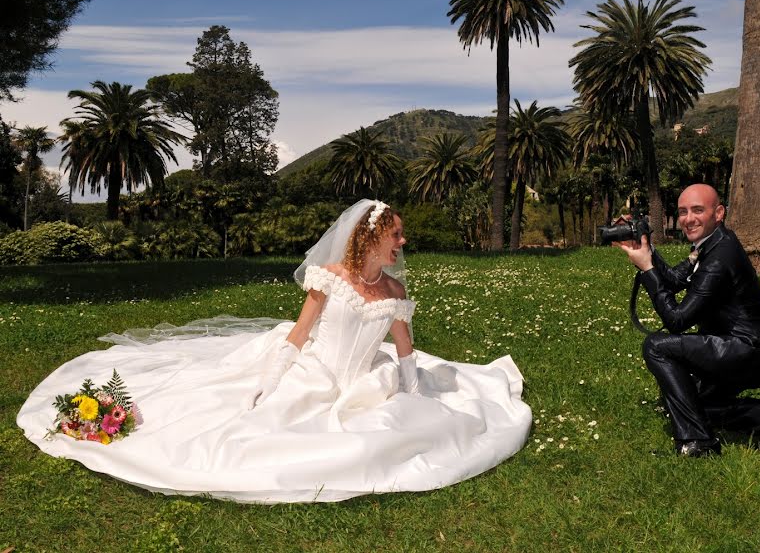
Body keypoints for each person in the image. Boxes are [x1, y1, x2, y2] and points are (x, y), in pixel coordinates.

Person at [17, 200, 532, 502]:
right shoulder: (328, 279)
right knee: (259, 423)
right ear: (373, 237)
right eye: (396, 236)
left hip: (359, 378)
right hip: (310, 366)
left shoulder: (395, 293)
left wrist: (415, 390)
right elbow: (301, 333)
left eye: (401, 237)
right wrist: (272, 377)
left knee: (398, 419)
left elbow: (404, 349)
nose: (403, 243)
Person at [620, 184, 760, 457]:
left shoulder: (720, 257)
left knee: (656, 346)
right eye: (682, 212)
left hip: (746, 351)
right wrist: (647, 250)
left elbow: (677, 320)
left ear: (719, 213)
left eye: (698, 210)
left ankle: (699, 444)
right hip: (748, 348)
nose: (688, 219)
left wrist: (647, 269)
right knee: (687, 404)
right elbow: (677, 279)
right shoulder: (712, 244)